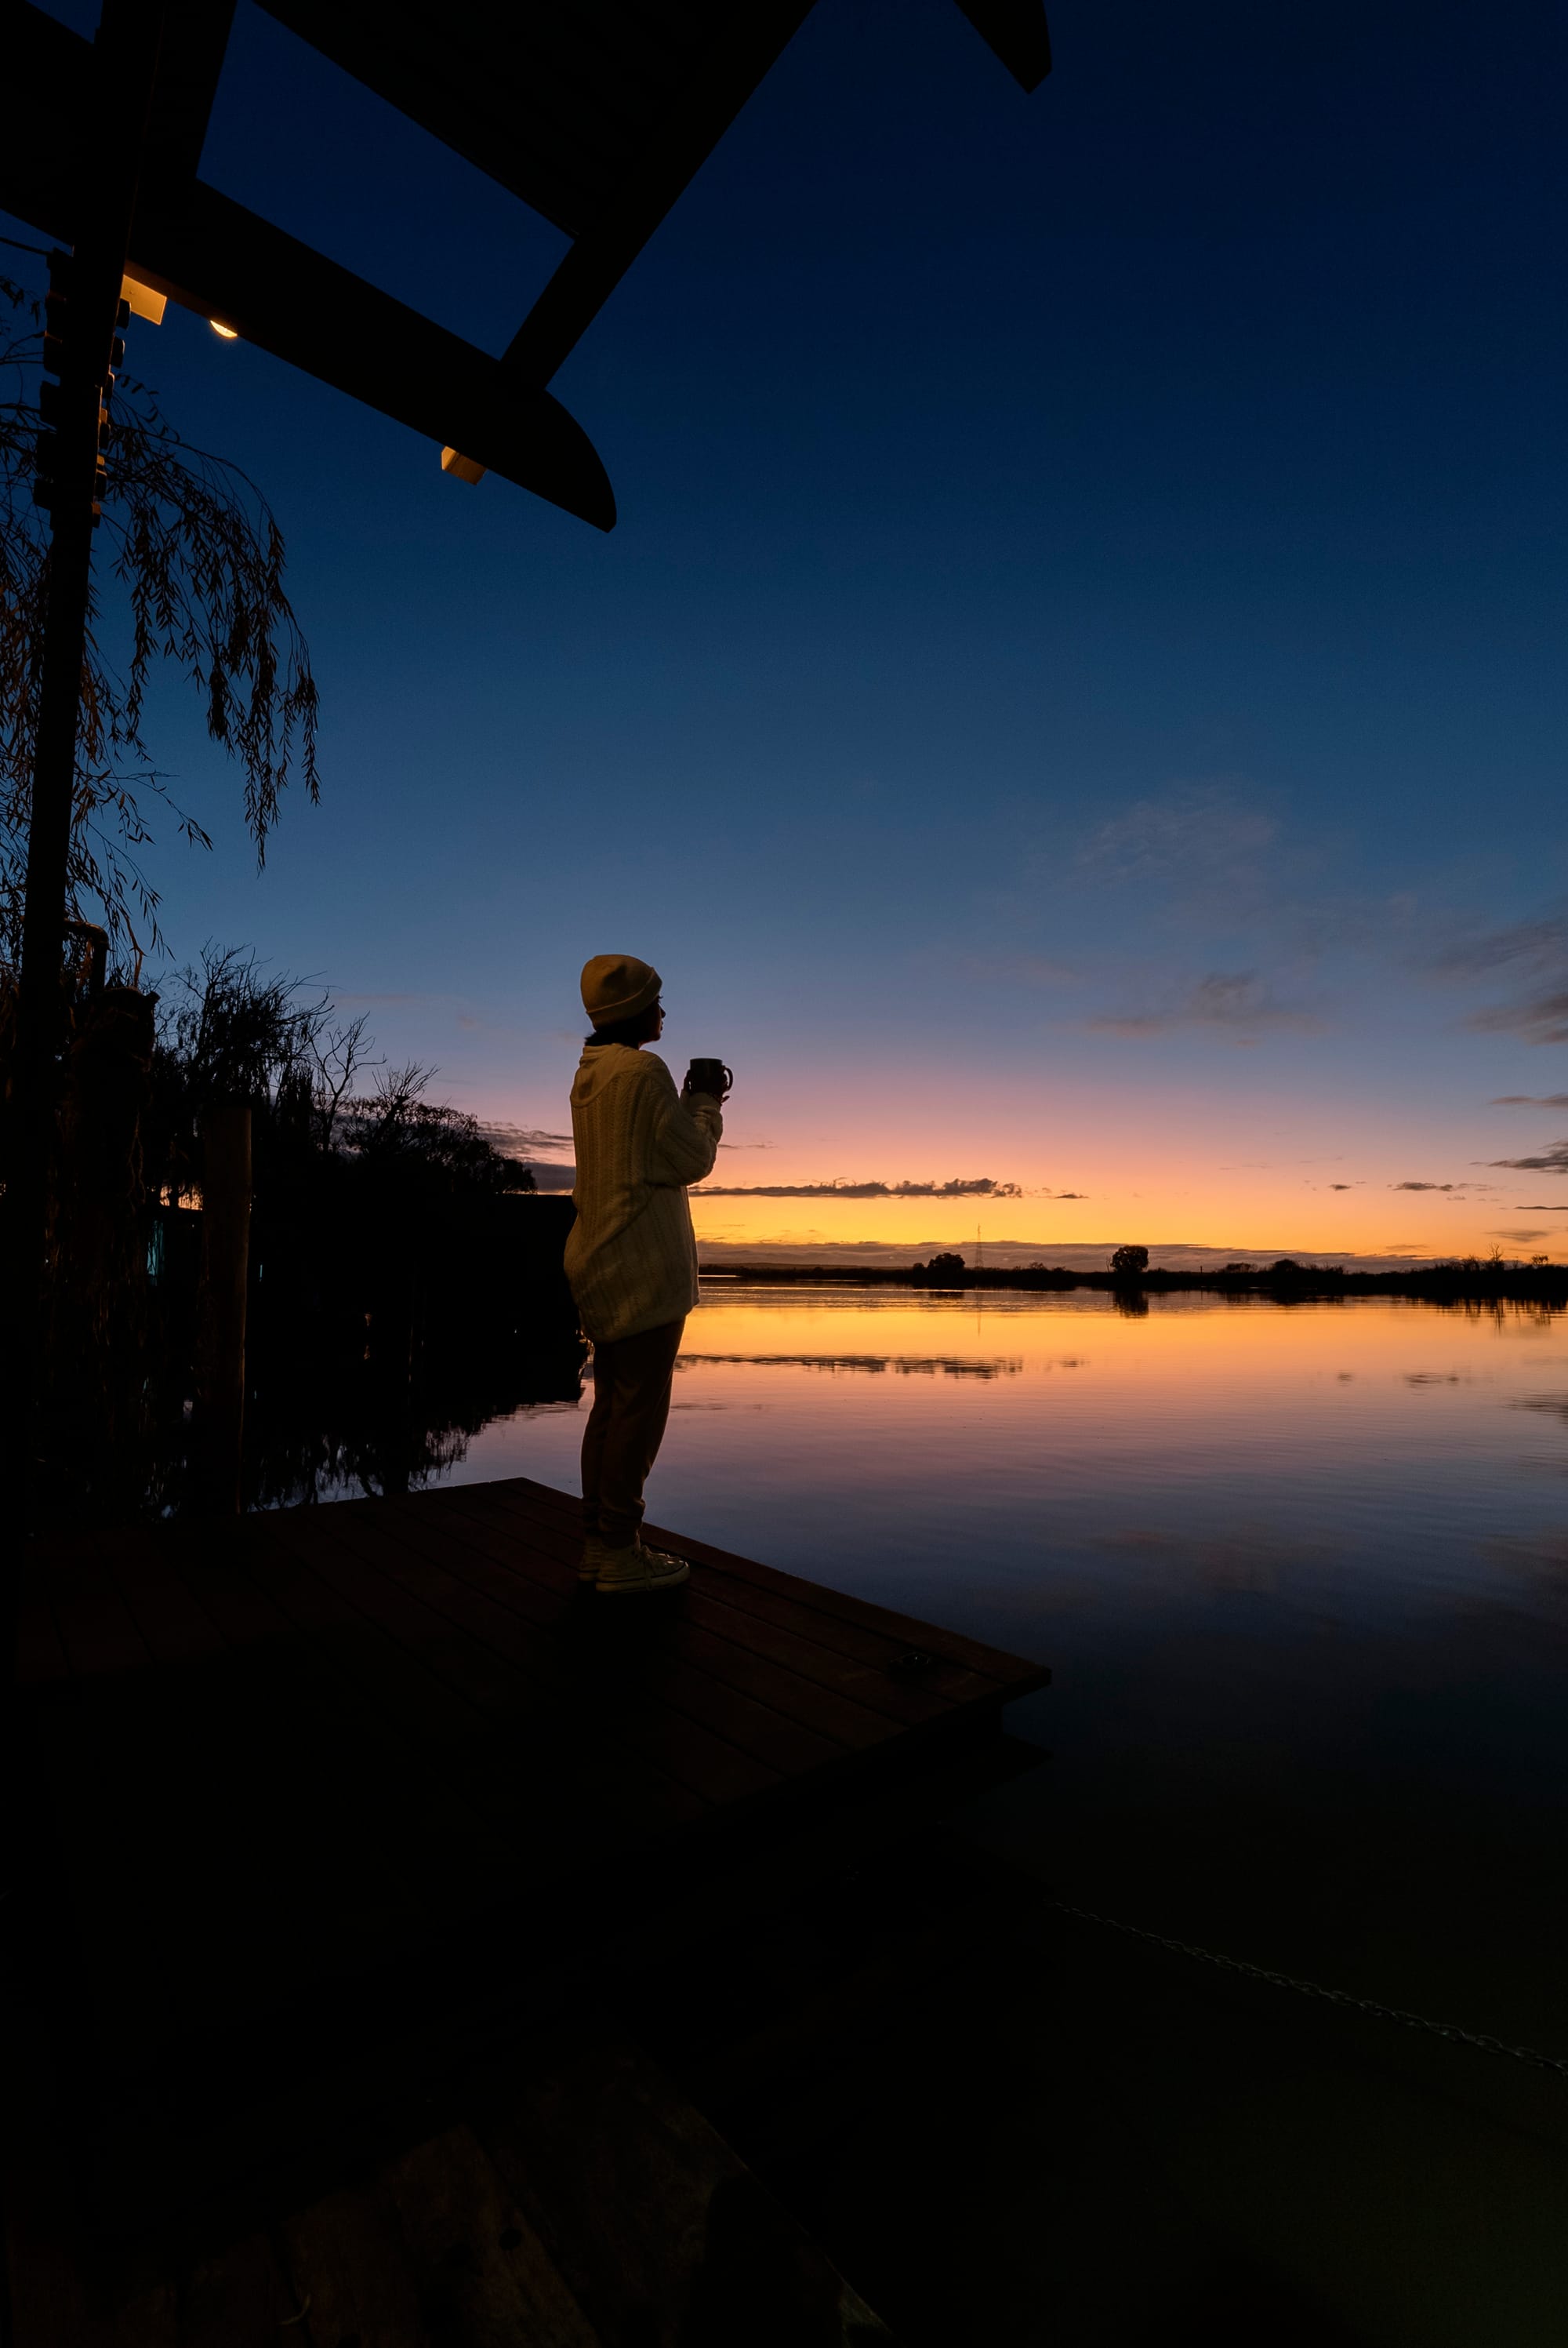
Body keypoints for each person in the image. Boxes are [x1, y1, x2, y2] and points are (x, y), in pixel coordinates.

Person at [564, 954, 726, 1593]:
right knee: (638, 1412)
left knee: (612, 1406)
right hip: (640, 1265)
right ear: (635, 1011)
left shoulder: (592, 1074)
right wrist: (707, 1103)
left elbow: (644, 1153)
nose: (664, 1012)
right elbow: (689, 1158)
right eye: (657, 1003)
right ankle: (621, 1552)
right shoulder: (642, 1070)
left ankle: (599, 1544)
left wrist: (683, 1103)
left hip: (598, 1257)